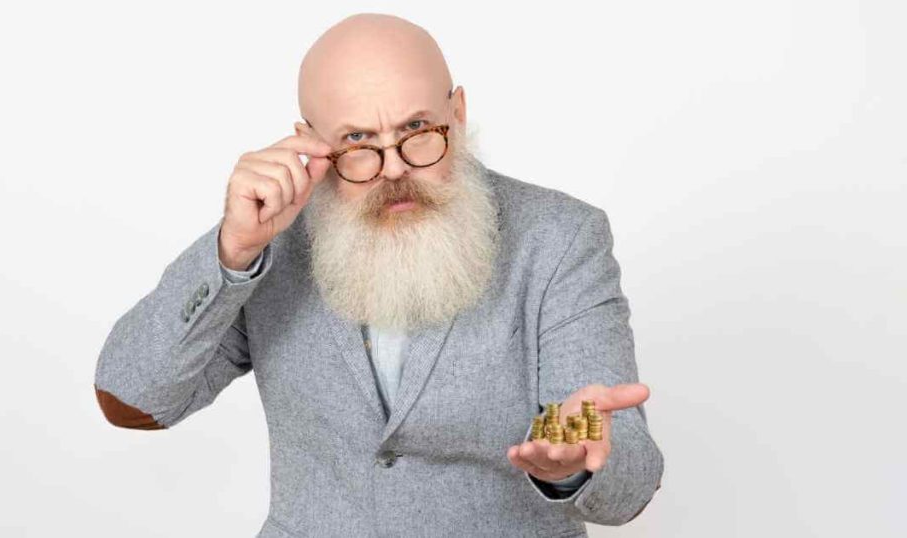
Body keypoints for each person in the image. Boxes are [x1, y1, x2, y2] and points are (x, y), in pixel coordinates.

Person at [94, 12, 663, 537]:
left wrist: (571, 459)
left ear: (457, 114)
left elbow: (628, 489)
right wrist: (232, 250)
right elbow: (131, 400)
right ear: (311, 142)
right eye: (358, 141)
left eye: (418, 129)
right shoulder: (272, 243)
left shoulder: (561, 238)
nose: (394, 169)